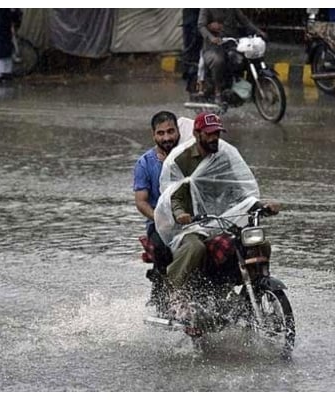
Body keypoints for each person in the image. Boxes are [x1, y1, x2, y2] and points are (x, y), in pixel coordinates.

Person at [154, 112, 280, 321]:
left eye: (217, 133)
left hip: (223, 219)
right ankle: (176, 293)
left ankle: (253, 289)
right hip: (191, 224)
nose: (214, 138)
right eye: (209, 133)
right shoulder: (180, 159)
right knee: (195, 248)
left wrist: (260, 204)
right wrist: (182, 214)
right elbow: (173, 195)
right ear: (196, 133)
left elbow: (238, 190)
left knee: (259, 243)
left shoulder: (225, 156)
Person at [133, 111, 183, 313]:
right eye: (161, 133)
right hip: (159, 225)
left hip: (191, 221)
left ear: (179, 131)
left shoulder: (187, 157)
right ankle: (165, 290)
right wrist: (160, 219)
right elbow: (141, 202)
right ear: (154, 135)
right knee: (162, 248)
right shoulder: (144, 163)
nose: (167, 138)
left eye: (171, 131)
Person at [197, 9, 267, 104]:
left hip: (231, 44)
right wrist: (211, 38)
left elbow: (245, 21)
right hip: (212, 47)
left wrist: (259, 32)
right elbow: (201, 26)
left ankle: (244, 85)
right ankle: (218, 92)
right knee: (218, 61)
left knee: (245, 58)